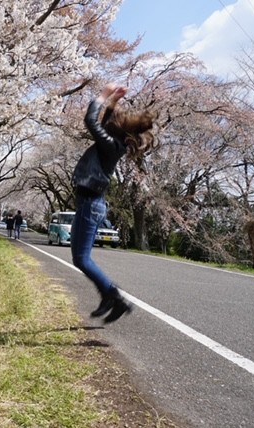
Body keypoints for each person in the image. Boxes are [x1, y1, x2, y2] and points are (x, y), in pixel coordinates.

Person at [71, 82, 156, 323]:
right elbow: (105, 122)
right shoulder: (113, 142)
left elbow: (91, 121)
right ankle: (108, 296)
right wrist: (113, 102)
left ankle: (114, 297)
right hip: (89, 203)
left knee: (82, 259)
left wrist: (103, 96)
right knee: (80, 258)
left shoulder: (110, 146)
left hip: (91, 204)